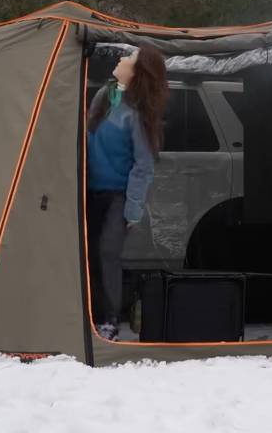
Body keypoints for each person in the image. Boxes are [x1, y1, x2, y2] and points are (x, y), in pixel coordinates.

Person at [86, 44, 167, 341]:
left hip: (116, 195)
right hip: (88, 191)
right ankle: (89, 315)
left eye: (128, 58)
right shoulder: (104, 96)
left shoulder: (136, 114)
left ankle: (109, 319)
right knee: (87, 254)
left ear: (137, 72)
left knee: (107, 253)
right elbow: (87, 135)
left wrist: (132, 210)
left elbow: (143, 166)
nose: (121, 59)